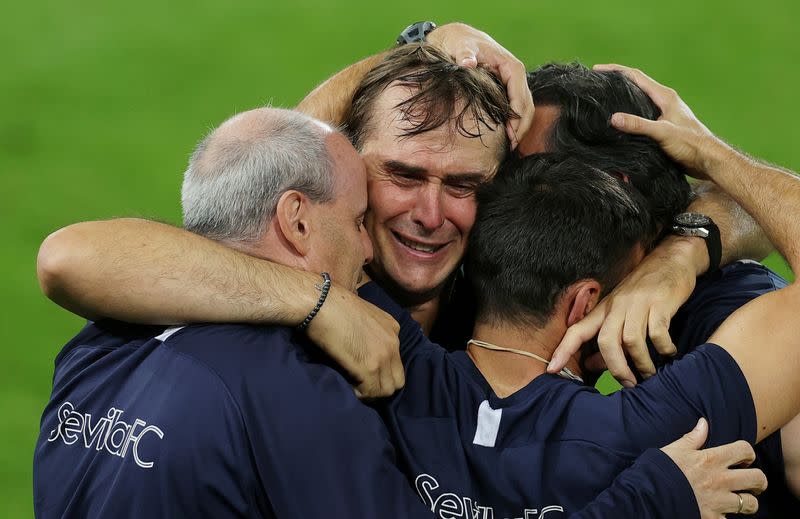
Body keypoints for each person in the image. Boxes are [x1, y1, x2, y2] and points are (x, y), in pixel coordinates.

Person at [33, 107, 762, 519]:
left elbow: (256, 157)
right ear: (294, 220)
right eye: (360, 219)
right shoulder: (301, 388)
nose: (371, 247)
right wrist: (656, 498)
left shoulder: (103, 342)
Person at [36, 24, 772, 400]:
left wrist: (683, 252)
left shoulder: (513, 257)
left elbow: (759, 207)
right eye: (401, 175)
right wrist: (317, 301)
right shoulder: (316, 256)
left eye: (466, 184)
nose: (433, 212)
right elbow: (70, 257)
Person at [366, 77, 800, 514]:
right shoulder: (645, 430)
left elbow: (304, 204)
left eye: (520, 172)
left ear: (613, 186)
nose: (491, 191)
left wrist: (682, 253)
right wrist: (712, 156)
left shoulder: (389, 353)